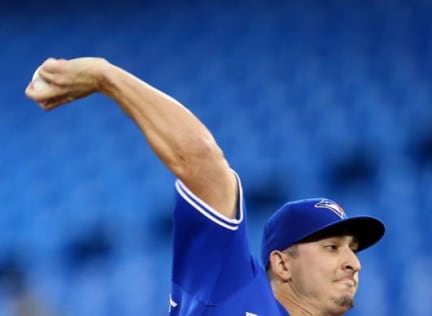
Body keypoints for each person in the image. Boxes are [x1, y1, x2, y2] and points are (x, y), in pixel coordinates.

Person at [25, 57, 385, 316]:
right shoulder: (232, 283)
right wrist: (106, 76)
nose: (354, 263)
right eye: (332, 246)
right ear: (282, 264)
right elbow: (200, 159)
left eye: (353, 249)